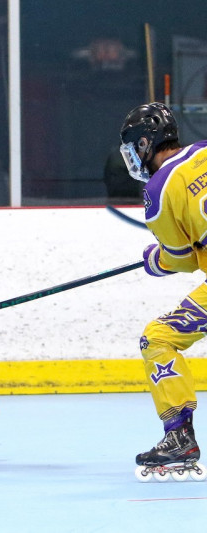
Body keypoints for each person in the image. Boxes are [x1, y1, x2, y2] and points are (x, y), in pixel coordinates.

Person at [119, 102, 204, 477]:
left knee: (157, 339)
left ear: (144, 144)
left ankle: (179, 436)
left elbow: (182, 259)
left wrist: (156, 260)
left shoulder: (158, 188)